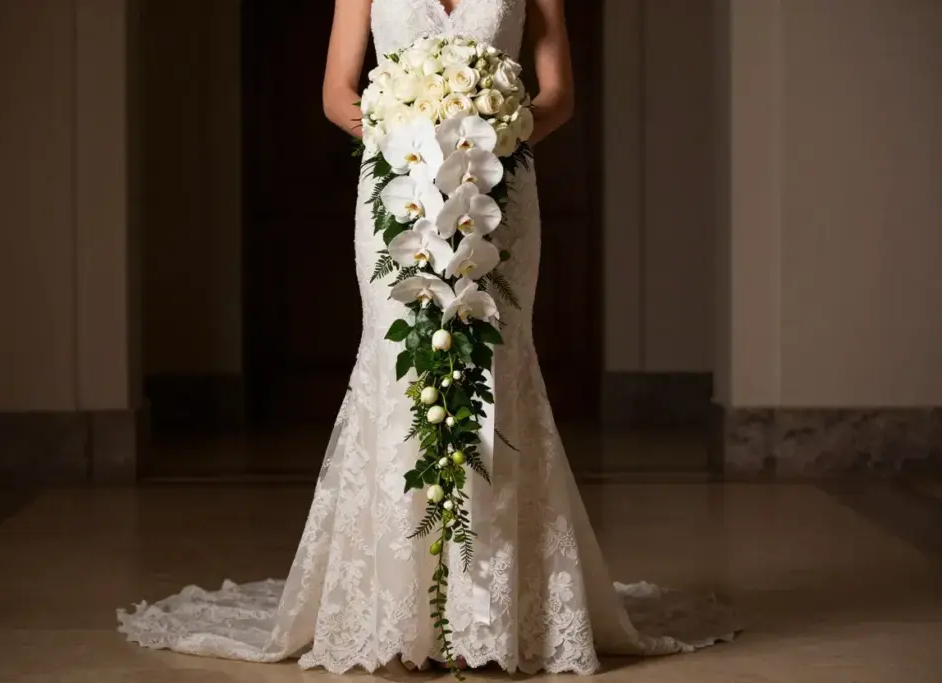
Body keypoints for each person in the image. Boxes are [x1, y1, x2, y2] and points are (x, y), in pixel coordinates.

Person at [118, 0, 739, 674]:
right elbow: (336, 92)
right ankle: (404, 615)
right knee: (400, 369)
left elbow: (557, 94)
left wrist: (493, 133)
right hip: (398, 191)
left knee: (497, 369)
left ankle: (489, 616)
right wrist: (403, 137)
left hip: (496, 195)